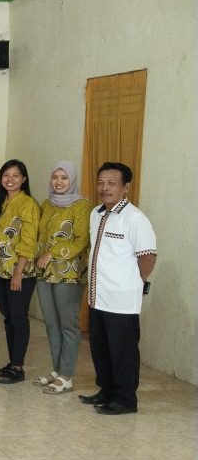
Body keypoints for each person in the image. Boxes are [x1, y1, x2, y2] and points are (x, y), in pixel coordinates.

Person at [79, 162, 156, 415]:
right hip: (97, 296)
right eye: (101, 182)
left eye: (111, 183)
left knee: (123, 351)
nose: (105, 188)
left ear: (126, 187)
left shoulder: (135, 218)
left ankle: (125, 399)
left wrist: (135, 281)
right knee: (100, 348)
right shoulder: (96, 213)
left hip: (121, 300)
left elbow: (148, 257)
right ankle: (107, 390)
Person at [33, 161, 91, 395]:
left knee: (68, 325)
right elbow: (40, 236)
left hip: (69, 274)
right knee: (51, 323)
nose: (59, 182)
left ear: (72, 180)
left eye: (64, 178)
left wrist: (52, 253)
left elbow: (81, 240)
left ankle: (67, 376)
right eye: (55, 177)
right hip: (44, 272)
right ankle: (57, 371)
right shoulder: (47, 203)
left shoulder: (82, 205)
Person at [0, 159, 40, 385]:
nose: (10, 179)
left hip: (19, 273)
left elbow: (29, 240)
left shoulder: (28, 204)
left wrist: (18, 272)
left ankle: (18, 367)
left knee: (18, 318)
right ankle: (12, 362)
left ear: (24, 179)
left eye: (15, 175)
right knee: (8, 318)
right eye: (6, 175)